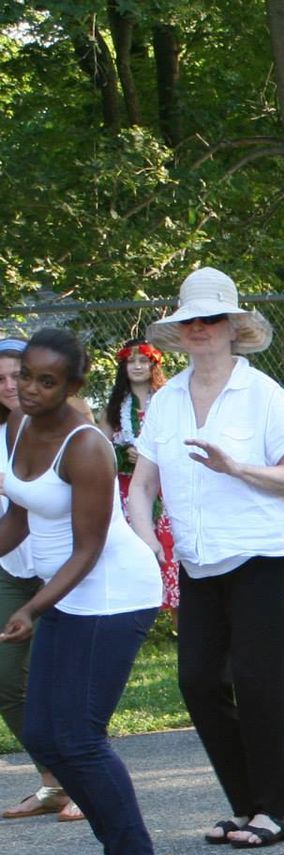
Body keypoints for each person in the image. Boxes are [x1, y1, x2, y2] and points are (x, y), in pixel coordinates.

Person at [125, 267, 284, 849]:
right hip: (198, 561)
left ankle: (282, 810)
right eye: (190, 322)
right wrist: (145, 535)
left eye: (211, 319)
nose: (200, 329)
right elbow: (141, 485)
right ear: (178, 335)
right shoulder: (167, 401)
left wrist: (238, 468)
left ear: (235, 328)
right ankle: (247, 804)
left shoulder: (264, 394)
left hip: (264, 555)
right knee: (198, 681)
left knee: (259, 684)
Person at [0, 331, 164, 855]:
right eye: (25, 377)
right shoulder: (17, 426)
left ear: (72, 386)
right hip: (66, 593)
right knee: (46, 734)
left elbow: (88, 548)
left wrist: (30, 607)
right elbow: (21, 512)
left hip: (113, 593)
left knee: (78, 737)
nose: (30, 389)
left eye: (47, 381)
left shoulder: (87, 445)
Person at [0, 335, 86, 822]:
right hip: (14, 565)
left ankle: (83, 782)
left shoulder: (76, 433)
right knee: (7, 680)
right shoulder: (10, 430)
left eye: (28, 375)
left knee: (63, 683)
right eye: (10, 379)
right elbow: (15, 512)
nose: (18, 386)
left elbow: (90, 531)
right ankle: (52, 781)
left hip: (69, 571)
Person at [104, 341, 181, 610]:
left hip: (166, 488)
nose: (137, 366)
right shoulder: (113, 410)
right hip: (127, 492)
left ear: (154, 365)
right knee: (132, 548)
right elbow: (99, 452)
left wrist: (152, 455)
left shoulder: (169, 401)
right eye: (131, 361)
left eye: (143, 361)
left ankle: (180, 618)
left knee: (171, 547)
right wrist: (124, 454)